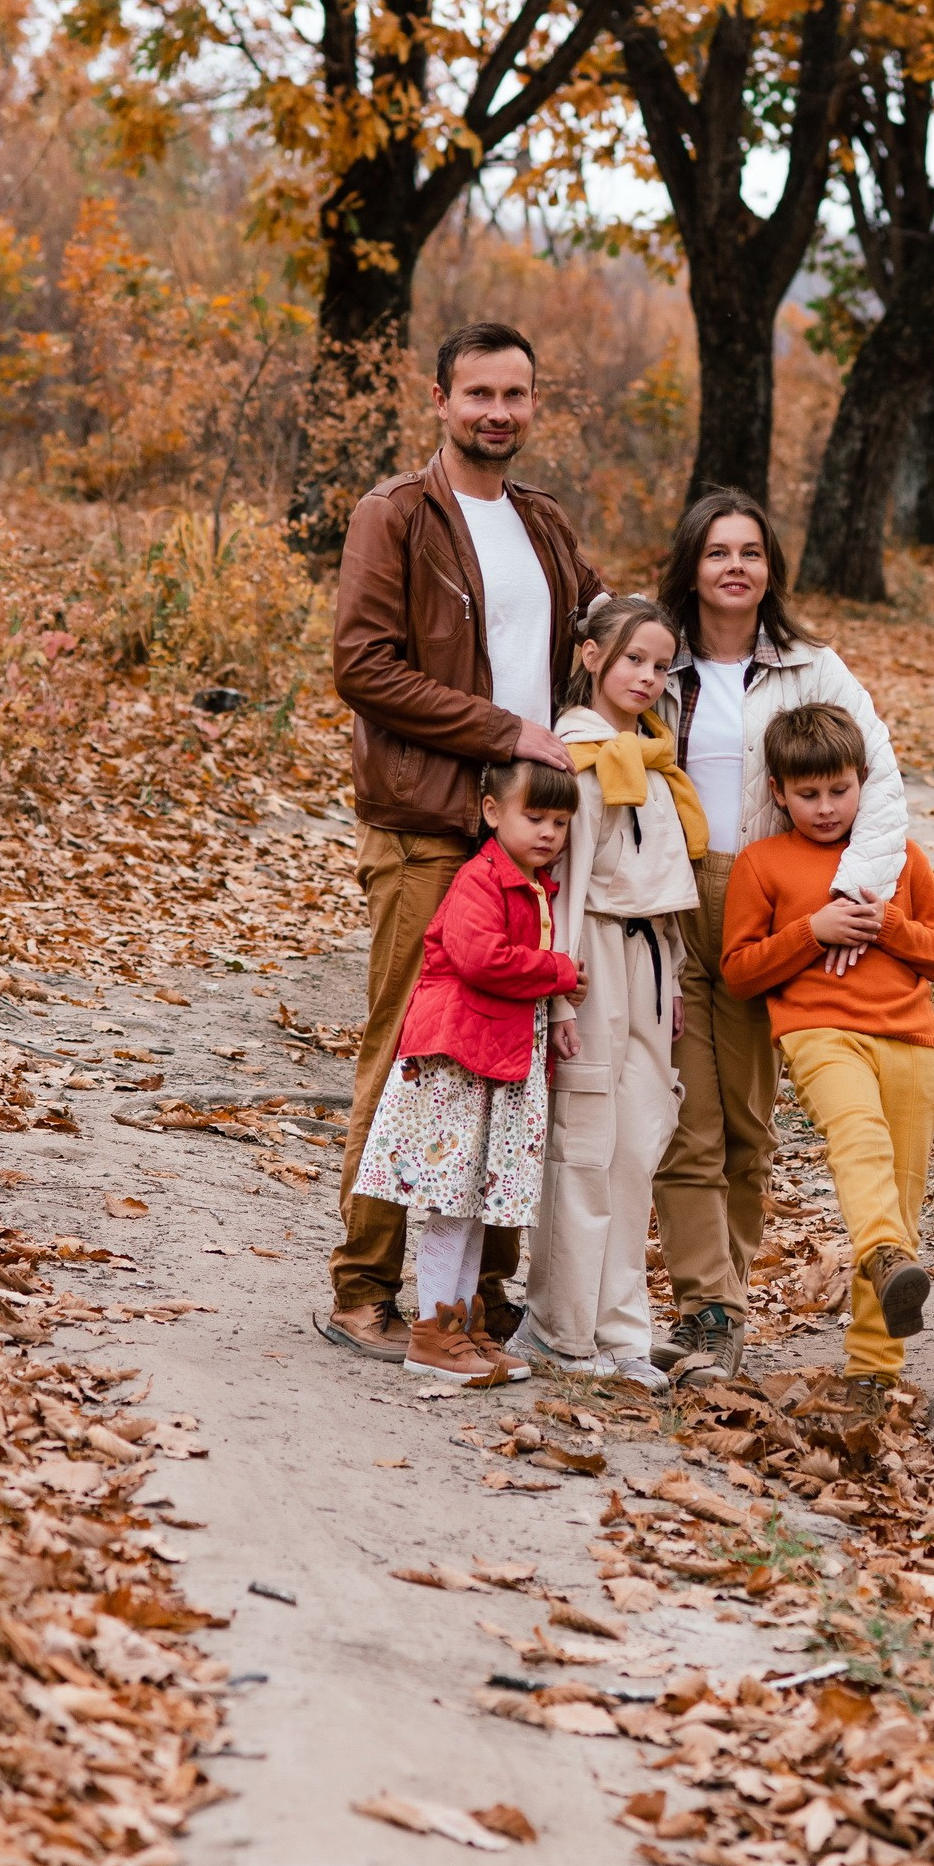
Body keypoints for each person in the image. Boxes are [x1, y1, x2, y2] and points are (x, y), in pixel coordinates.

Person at [323, 321, 604, 1362]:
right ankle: (363, 1292)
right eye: (477, 393)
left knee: (508, 1066)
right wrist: (505, 733)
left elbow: (596, 625)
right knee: (410, 1052)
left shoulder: (543, 523)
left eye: (515, 395)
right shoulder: (394, 516)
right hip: (431, 826)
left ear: (535, 404)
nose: (497, 412)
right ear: (438, 399)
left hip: (531, 840)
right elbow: (363, 666)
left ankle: (473, 1301)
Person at [651, 488, 908, 1377]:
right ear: (691, 564)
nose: (734, 566)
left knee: (750, 1124)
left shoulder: (812, 667)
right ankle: (707, 1309)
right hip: (671, 900)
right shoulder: (656, 662)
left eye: (750, 552)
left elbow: (882, 783)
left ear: (771, 569)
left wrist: (843, 899)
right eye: (717, 550)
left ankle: (734, 1284)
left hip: (772, 903)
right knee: (688, 1117)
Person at [719, 701, 934, 1390]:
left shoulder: (898, 857)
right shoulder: (763, 863)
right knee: (859, 1145)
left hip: (911, 1038)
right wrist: (812, 931)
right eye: (807, 794)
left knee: (902, 1194)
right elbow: (739, 972)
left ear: (863, 779)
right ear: (778, 792)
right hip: (819, 1030)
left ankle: (873, 1371)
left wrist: (888, 923)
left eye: (838, 790)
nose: (825, 808)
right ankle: (884, 1252)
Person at [519, 594, 705, 1387]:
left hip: (652, 960)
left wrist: (678, 978)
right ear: (592, 655)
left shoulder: (653, 759)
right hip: (590, 958)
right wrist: (559, 992)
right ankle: (559, 1327)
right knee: (585, 1142)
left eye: (661, 665)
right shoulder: (577, 757)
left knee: (638, 1142)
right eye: (633, 658)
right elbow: (557, 883)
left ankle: (623, 1329)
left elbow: (661, 880)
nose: (647, 676)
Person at [353, 756, 582, 1391]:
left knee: (479, 1201)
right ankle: (432, 1330)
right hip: (459, 1059)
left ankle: (466, 1323)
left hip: (497, 1061)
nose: (547, 833)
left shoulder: (537, 887)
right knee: (452, 1201)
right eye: (533, 817)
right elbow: (481, 958)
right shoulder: (479, 880)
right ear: (491, 813)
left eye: (560, 823)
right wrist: (559, 971)